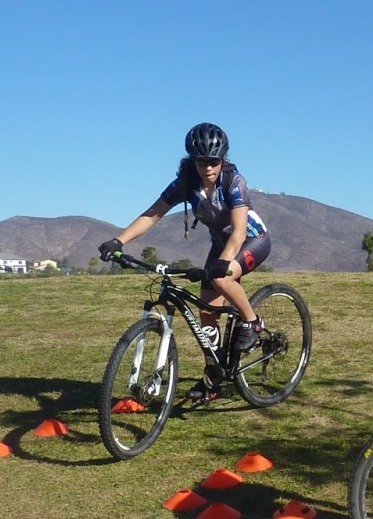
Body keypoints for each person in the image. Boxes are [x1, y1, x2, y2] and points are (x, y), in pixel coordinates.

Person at [98, 123, 271, 402]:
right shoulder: (185, 183)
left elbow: (238, 231)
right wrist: (119, 241)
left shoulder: (233, 181)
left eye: (214, 161)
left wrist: (224, 261)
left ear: (223, 159)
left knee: (220, 278)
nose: (208, 167)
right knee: (207, 315)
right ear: (193, 159)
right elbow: (153, 214)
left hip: (252, 241)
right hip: (220, 245)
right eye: (201, 161)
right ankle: (213, 378)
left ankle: (252, 322)